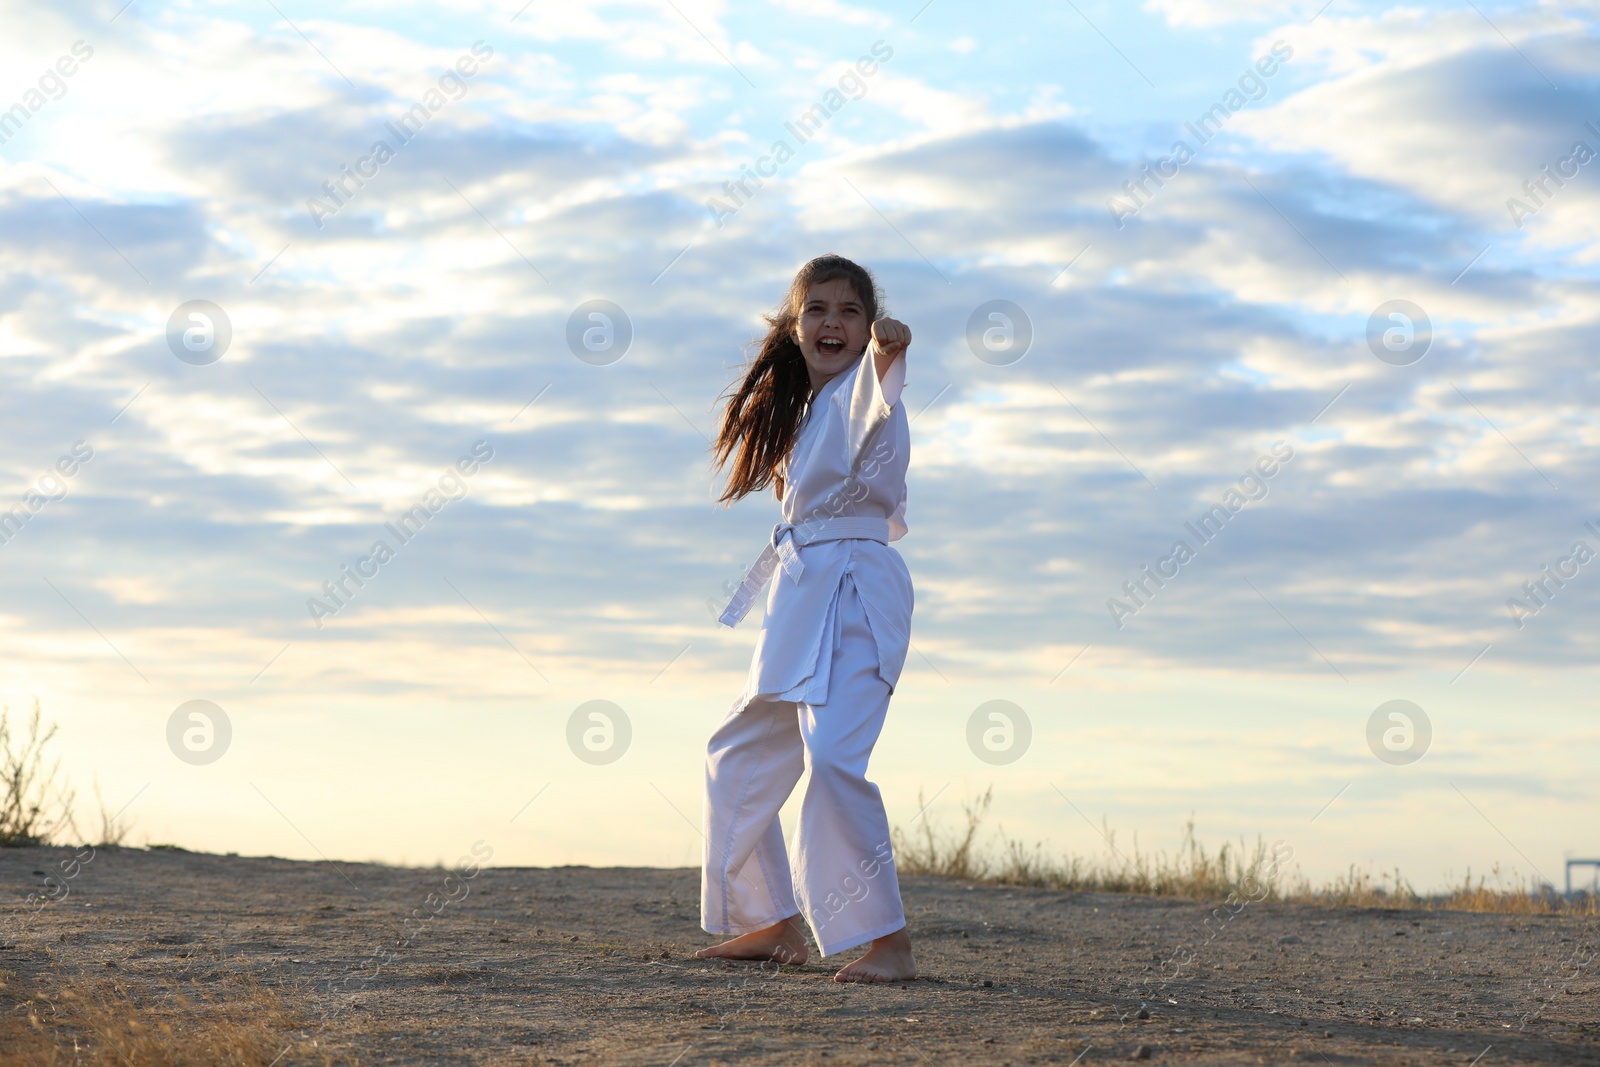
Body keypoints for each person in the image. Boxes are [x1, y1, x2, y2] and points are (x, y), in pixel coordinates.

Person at [696, 253, 916, 983]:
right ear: (794, 328)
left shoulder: (866, 388)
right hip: (798, 593)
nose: (833, 322)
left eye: (848, 311)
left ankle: (889, 941)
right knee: (738, 752)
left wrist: (890, 345)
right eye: (817, 310)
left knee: (832, 760)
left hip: (857, 591)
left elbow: (880, 381)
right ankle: (773, 923)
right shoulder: (801, 415)